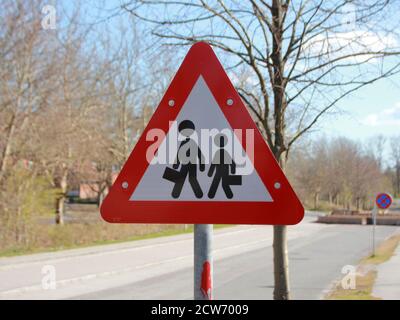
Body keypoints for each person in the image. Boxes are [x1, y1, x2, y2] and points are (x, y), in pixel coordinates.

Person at [162, 120, 205, 198]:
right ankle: (175, 194)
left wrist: (202, 166)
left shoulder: (193, 143)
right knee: (181, 178)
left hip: (192, 164)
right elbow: (179, 154)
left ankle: (199, 195)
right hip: (185, 164)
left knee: (192, 179)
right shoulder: (183, 142)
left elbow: (200, 155)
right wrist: (176, 164)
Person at [208, 133, 242, 199]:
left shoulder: (224, 153)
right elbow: (213, 163)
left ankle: (229, 196)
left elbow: (232, 163)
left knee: (221, 184)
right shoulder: (219, 152)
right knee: (217, 183)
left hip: (224, 171)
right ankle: (211, 196)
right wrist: (210, 172)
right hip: (220, 171)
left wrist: (210, 173)